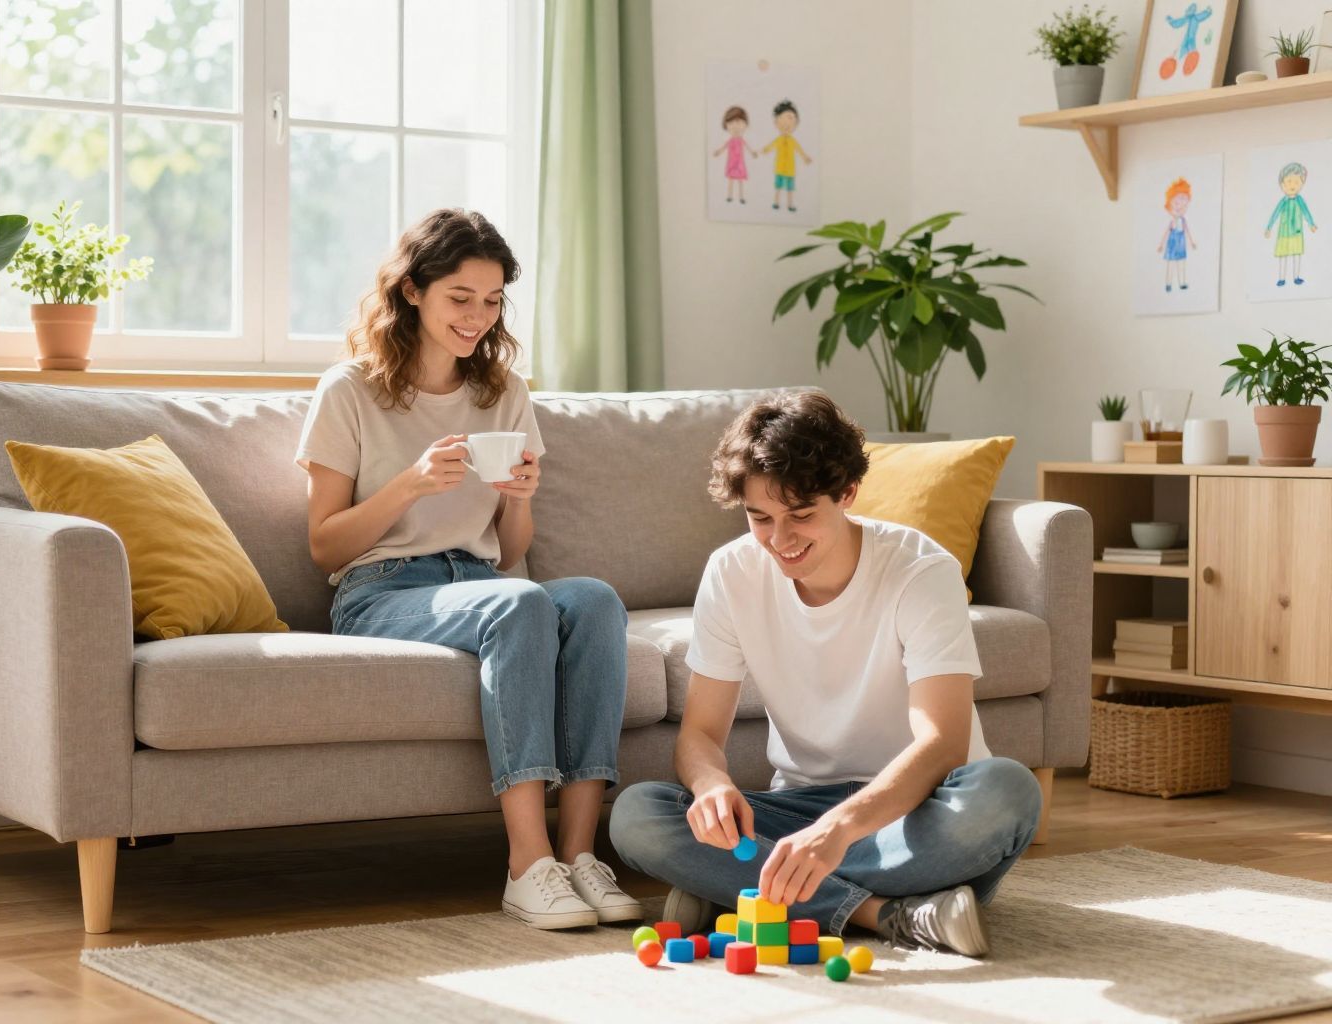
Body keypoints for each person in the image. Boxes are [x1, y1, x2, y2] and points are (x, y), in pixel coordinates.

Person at [296, 208, 641, 931]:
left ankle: (579, 856)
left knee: (596, 601)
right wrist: (410, 486)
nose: (477, 317)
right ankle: (527, 864)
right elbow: (326, 545)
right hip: (380, 589)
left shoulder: (503, 393)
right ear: (413, 290)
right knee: (520, 606)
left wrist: (519, 499)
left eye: (491, 301)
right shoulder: (349, 390)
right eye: (461, 298)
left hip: (479, 581)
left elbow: (510, 552)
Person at [609, 390, 1042, 957]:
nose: (780, 541)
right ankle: (888, 914)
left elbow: (942, 744)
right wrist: (712, 785)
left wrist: (837, 835)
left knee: (1007, 792)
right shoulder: (732, 571)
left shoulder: (921, 570)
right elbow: (699, 735)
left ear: (848, 493)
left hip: (917, 807)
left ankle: (742, 894)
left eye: (802, 515)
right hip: (799, 809)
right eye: (759, 517)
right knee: (639, 814)